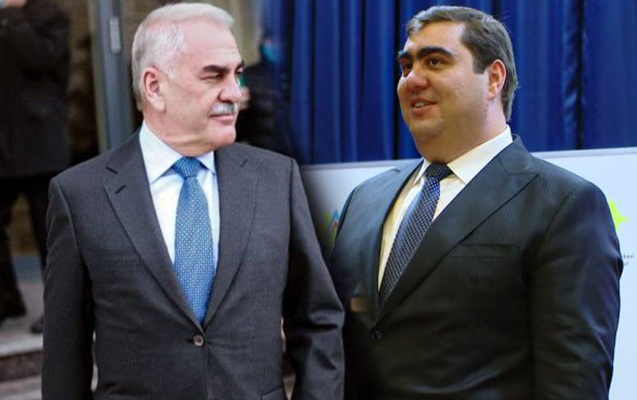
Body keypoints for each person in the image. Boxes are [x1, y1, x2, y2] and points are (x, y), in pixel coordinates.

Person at [42, 3, 344, 400]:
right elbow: (65, 358)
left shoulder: (277, 179)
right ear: (154, 87)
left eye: (236, 74)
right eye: (214, 75)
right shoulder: (79, 195)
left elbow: (317, 320)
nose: (235, 93)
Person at [330, 6, 622, 400]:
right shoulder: (364, 200)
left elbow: (573, 383)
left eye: (435, 61)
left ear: (494, 78)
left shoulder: (563, 205)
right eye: (406, 66)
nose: (412, 79)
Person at [0, 0, 69, 334]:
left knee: (48, 229)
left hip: (40, 142)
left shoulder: (50, 15)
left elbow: (39, 58)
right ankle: (6, 299)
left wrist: (13, 14)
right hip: (5, 143)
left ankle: (59, 309)